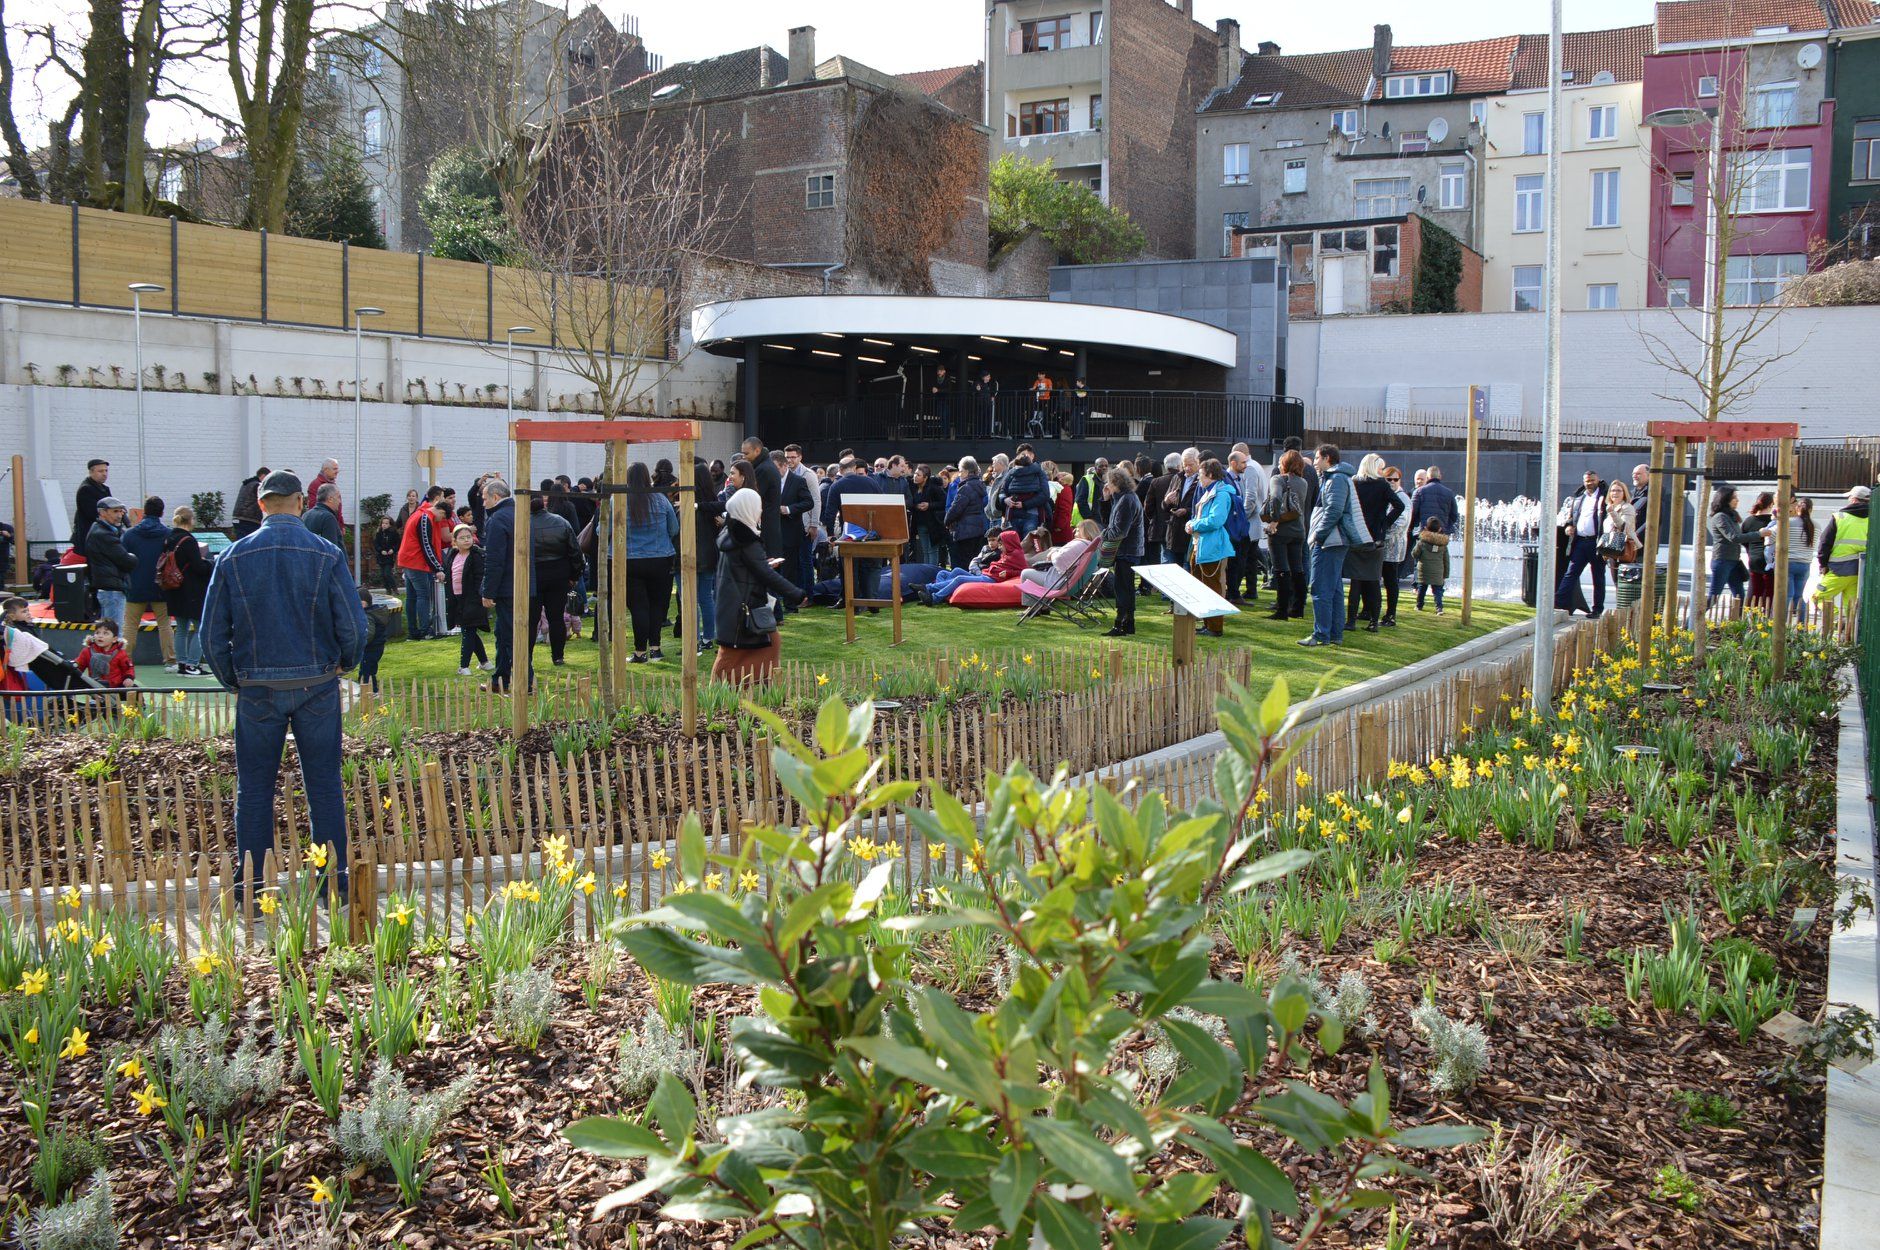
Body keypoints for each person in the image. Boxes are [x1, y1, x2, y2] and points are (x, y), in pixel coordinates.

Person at [202, 470, 365, 901]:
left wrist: (233, 679)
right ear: (300, 503)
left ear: (260, 505)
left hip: (258, 686)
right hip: (316, 683)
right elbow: (353, 626)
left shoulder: (233, 556)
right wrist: (344, 663)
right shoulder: (326, 552)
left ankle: (253, 891)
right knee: (324, 785)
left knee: (254, 788)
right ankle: (333, 885)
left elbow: (211, 635)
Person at [712, 487, 804, 684]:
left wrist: (763, 564)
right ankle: (721, 692)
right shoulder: (746, 540)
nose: (760, 511)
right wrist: (796, 593)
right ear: (748, 509)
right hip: (741, 608)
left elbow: (748, 567)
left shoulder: (731, 533)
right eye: (758, 507)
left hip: (732, 605)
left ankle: (757, 688)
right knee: (731, 655)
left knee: (766, 644)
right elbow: (765, 574)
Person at [1302, 445, 1359, 647]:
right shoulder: (1336, 478)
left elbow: (1334, 510)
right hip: (1333, 540)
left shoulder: (1336, 479)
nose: (1314, 462)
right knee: (1334, 589)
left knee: (1320, 588)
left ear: (1327, 458)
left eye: (1317, 458)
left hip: (1330, 541)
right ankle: (1334, 634)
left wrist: (1319, 535)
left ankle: (1321, 635)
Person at [623, 460, 677, 664]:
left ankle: (639, 652)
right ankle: (655, 648)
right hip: (660, 558)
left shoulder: (619, 500)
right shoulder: (661, 499)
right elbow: (674, 528)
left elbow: (604, 530)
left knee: (638, 607)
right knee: (657, 605)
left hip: (631, 560)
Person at [1345, 455, 1403, 634]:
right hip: (1376, 536)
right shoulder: (1382, 486)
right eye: (1380, 468)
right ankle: (1373, 623)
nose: (1382, 471)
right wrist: (1384, 523)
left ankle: (1350, 621)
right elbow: (1399, 505)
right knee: (1373, 580)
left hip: (1357, 535)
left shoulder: (1354, 483)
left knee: (1356, 582)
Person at [120, 495, 176, 668]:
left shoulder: (130, 535)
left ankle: (125, 660)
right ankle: (170, 660)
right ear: (162, 513)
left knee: (130, 625)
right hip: (160, 585)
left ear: (144, 512)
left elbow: (122, 559)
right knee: (164, 624)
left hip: (135, 585)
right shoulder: (168, 534)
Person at [529, 490, 583, 667]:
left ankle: (526, 656)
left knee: (531, 619)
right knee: (556, 617)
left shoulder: (522, 523)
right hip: (558, 574)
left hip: (533, 575)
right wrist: (574, 575)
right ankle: (558, 656)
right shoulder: (561, 522)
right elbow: (575, 551)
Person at [1186, 458, 1237, 637]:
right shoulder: (1209, 491)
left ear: (1209, 474)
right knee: (1201, 586)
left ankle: (1215, 627)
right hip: (1201, 545)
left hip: (1212, 546)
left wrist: (1194, 525)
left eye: (1200, 474)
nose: (1198, 477)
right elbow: (1202, 516)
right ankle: (1207, 624)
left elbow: (1216, 520)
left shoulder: (1221, 494)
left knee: (1212, 587)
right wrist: (1191, 523)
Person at [479, 480, 521, 692]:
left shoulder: (497, 519)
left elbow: (494, 560)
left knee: (509, 636)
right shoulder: (520, 514)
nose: (483, 503)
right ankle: (501, 679)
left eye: (485, 498)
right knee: (508, 634)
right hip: (523, 584)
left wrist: (488, 591)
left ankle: (521, 679)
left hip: (506, 587)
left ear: (495, 497)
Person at [163, 505, 214, 677]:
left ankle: (182, 664)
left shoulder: (168, 539)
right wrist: (209, 563)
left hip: (174, 588)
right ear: (191, 520)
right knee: (200, 628)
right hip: (191, 590)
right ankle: (192, 665)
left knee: (181, 629)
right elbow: (199, 567)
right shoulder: (189, 540)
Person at [1553, 469, 1608, 617]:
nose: (1590, 483)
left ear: (1598, 480)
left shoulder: (1604, 497)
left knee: (1598, 577)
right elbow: (1572, 518)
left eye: (1592, 480)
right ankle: (1558, 603)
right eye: (1587, 481)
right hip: (1580, 542)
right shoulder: (1579, 498)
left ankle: (1597, 609)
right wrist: (1569, 526)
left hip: (1597, 543)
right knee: (1571, 573)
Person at [1264, 449, 1311, 620]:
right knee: (1297, 569)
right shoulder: (1303, 482)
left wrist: (1274, 520)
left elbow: (1276, 498)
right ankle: (1298, 608)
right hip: (1298, 530)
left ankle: (1282, 609)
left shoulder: (1277, 479)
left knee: (1281, 569)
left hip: (1281, 531)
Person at [396, 493, 448, 641]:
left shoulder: (419, 513)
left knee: (412, 597)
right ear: (440, 511)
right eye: (443, 516)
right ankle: (425, 630)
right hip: (416, 561)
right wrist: (437, 567)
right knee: (423, 596)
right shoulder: (425, 518)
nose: (441, 520)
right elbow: (426, 545)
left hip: (408, 560)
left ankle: (413, 632)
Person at [1100, 466, 1144, 637]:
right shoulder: (1123, 498)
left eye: (1109, 483)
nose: (1107, 486)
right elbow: (1110, 522)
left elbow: (1119, 531)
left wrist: (1102, 535)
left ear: (1115, 483)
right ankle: (1128, 624)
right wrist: (1106, 500)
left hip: (1126, 550)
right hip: (1128, 549)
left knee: (1123, 588)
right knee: (1126, 587)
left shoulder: (1127, 500)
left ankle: (1120, 624)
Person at [84, 496, 136, 639]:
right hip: (112, 589)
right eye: (115, 511)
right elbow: (126, 560)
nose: (119, 515)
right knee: (113, 635)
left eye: (121, 511)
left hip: (109, 588)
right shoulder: (104, 535)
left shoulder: (101, 530)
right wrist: (133, 556)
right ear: (102, 512)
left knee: (107, 633)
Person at [444, 524, 491, 675]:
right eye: (462, 538)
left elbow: (480, 578)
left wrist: (479, 596)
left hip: (472, 599)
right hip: (457, 598)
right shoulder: (453, 555)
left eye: (468, 537)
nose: (466, 540)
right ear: (454, 541)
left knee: (468, 630)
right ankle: (485, 662)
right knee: (470, 630)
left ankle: (464, 666)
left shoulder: (477, 555)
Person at [1817, 485, 1870, 614]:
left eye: (1849, 497)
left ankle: (1836, 621)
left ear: (1854, 499)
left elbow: (1825, 543)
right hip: (1860, 571)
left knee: (1819, 597)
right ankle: (1847, 625)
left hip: (1838, 569)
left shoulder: (1840, 517)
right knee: (1850, 607)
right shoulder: (1873, 518)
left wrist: (1822, 564)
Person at [1379, 466, 1413, 626]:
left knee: (1391, 581)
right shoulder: (1386, 496)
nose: (1392, 482)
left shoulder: (1402, 498)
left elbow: (1401, 522)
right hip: (1383, 545)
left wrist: (1382, 535)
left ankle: (1391, 614)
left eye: (1395, 479)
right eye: (1389, 479)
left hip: (1394, 546)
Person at [742, 436, 784, 559]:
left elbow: (752, 498)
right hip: (769, 525)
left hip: (766, 527)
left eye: (746, 453)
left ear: (757, 451)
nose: (744, 457)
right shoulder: (765, 465)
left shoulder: (763, 469)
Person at [944, 457, 990, 567]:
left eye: (960, 471)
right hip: (979, 529)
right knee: (974, 563)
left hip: (965, 531)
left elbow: (956, 509)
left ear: (966, 471)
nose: (959, 474)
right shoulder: (981, 486)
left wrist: (946, 521)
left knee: (963, 564)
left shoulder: (965, 488)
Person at [1706, 484, 1746, 605]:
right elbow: (1734, 537)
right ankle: (1694, 617)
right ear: (1726, 499)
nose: (1737, 500)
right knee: (1714, 597)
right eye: (1734, 498)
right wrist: (1758, 534)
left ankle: (1739, 617)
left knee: (1740, 596)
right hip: (1722, 561)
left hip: (1734, 561)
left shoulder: (1732, 516)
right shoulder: (1720, 517)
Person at [75, 618, 136, 688]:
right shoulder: (87, 651)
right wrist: (73, 667)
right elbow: (79, 666)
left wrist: (128, 678)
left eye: (105, 633)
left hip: (116, 687)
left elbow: (128, 668)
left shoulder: (120, 653)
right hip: (95, 686)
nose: (100, 636)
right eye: (97, 633)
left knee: (135, 689)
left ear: (114, 639)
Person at [1742, 491, 1776, 610]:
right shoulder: (1773, 522)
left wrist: (1751, 551)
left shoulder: (1748, 521)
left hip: (1753, 559)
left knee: (1755, 591)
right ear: (1771, 504)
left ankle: (1751, 615)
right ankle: (1766, 616)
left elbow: (1744, 540)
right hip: (1769, 560)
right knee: (1769, 591)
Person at [70, 459, 111, 552]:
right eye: (100, 471)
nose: (105, 474)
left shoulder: (104, 488)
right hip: (90, 538)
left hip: (99, 536)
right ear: (91, 472)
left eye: (106, 470)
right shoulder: (86, 489)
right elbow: (93, 514)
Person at [1598, 481, 1639, 573]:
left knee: (1623, 579)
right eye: (1612, 490)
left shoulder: (1627, 507)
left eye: (1618, 490)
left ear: (1624, 493)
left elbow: (1623, 527)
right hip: (1611, 549)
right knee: (1615, 579)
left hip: (1624, 548)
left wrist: (1612, 513)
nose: (1615, 493)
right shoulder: (1610, 507)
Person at [910, 464, 947, 566]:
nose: (915, 476)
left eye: (918, 475)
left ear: (925, 477)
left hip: (933, 524)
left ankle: (932, 572)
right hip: (920, 524)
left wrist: (929, 505)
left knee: (932, 550)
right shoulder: (913, 487)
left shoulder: (934, 488)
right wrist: (916, 506)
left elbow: (944, 502)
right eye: (915, 474)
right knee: (925, 551)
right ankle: (927, 571)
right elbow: (911, 502)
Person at [1412, 519, 1451, 614]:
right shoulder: (1443, 544)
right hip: (1438, 571)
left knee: (1422, 588)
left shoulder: (1422, 542)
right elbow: (1446, 561)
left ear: (1426, 528)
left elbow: (1414, 554)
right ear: (1439, 529)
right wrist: (1445, 574)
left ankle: (1419, 606)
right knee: (1438, 591)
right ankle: (1439, 608)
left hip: (1424, 569)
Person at [1787, 497, 1816, 620]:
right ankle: (1801, 625)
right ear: (1811, 510)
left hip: (1789, 562)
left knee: (1787, 595)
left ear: (1796, 508)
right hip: (1805, 563)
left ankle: (1781, 623)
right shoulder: (1816, 525)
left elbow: (1772, 536)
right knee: (1799, 596)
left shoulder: (1789, 523)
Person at [357, 588, 389, 693]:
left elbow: (369, 634)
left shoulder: (367, 616)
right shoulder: (374, 613)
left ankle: (370, 690)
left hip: (371, 647)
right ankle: (369, 689)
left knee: (366, 670)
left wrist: (361, 642)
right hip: (376, 646)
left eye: (361, 603)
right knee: (369, 668)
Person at [303, 484, 344, 549]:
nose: (340, 501)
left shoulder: (306, 515)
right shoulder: (328, 518)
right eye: (338, 497)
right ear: (330, 499)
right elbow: (331, 550)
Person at [231, 466, 268, 538]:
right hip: (250, 519)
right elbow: (265, 500)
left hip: (238, 517)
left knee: (241, 540)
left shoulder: (246, 483)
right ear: (263, 476)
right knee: (252, 541)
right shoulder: (257, 485)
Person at [308, 459, 344, 528]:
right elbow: (314, 507)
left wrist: (341, 525)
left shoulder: (332, 484)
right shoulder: (316, 485)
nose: (337, 471)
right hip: (324, 526)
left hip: (334, 525)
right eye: (334, 469)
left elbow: (339, 508)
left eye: (337, 469)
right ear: (326, 470)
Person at [373, 516, 400, 592]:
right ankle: (388, 590)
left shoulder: (394, 533)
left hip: (390, 556)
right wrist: (381, 550)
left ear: (390, 524)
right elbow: (376, 544)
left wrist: (393, 550)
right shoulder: (379, 533)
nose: (384, 525)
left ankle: (394, 588)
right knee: (383, 575)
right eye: (383, 523)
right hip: (381, 556)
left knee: (387, 573)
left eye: (386, 523)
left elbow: (398, 543)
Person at [973, 368, 1000, 437]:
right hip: (981, 405)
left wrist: (991, 397)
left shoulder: (987, 384)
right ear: (984, 377)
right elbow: (979, 393)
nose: (989, 378)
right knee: (981, 420)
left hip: (987, 405)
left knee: (987, 420)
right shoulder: (978, 383)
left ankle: (986, 434)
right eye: (988, 377)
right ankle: (979, 434)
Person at [1027, 372, 1053, 437]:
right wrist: (1032, 389)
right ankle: (1035, 430)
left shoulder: (1048, 380)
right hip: (1039, 399)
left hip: (1046, 399)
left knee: (1045, 414)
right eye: (1038, 375)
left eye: (1040, 375)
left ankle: (1046, 429)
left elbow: (1051, 388)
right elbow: (1034, 387)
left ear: (1044, 375)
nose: (1039, 376)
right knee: (1036, 413)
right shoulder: (1037, 381)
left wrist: (1045, 389)